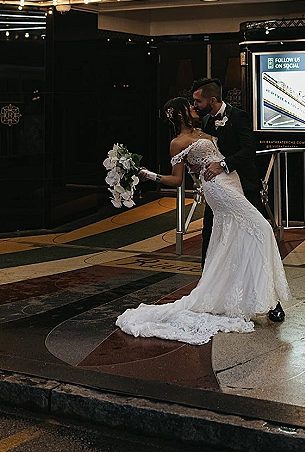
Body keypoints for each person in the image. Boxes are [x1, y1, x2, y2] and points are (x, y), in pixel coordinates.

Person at [116, 98, 291, 344]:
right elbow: (177, 180)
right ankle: (268, 299)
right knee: (261, 228)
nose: (193, 108)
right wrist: (149, 175)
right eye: (188, 107)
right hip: (217, 188)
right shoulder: (177, 143)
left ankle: (255, 299)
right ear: (179, 115)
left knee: (238, 239)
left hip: (232, 180)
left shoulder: (204, 129)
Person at [190, 78, 263, 265]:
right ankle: (208, 277)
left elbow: (249, 149)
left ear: (212, 100)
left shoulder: (239, 117)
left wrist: (223, 164)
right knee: (211, 230)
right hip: (218, 188)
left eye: (198, 101)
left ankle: (252, 273)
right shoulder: (205, 121)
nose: (194, 105)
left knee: (249, 231)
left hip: (244, 184)